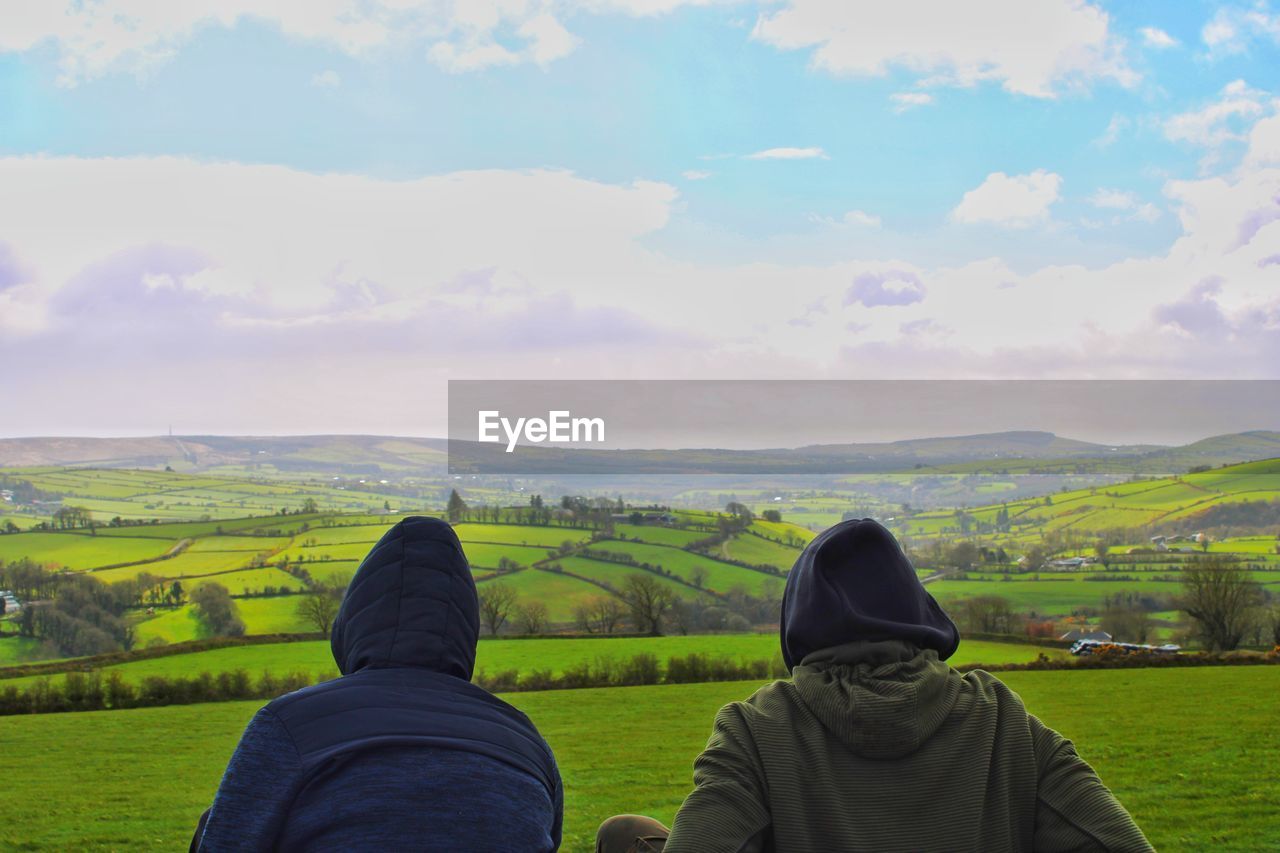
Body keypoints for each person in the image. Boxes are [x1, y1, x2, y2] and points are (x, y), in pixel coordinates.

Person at [598, 518, 1153, 853]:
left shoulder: (755, 731)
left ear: (799, 625)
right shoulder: (1004, 723)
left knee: (622, 836)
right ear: (919, 612)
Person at [193, 516, 563, 851]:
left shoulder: (289, 725)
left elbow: (226, 842)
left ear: (352, 624)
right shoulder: (526, 742)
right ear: (465, 631)